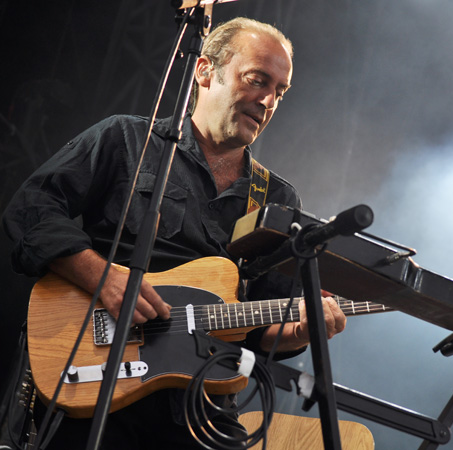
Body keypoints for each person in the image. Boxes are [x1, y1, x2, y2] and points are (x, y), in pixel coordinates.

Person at [2, 17, 347, 449]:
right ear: (205, 71)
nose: (268, 100)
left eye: (280, 91)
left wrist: (302, 329)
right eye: (258, 80)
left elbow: (258, 323)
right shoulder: (127, 138)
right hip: (99, 378)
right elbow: (30, 209)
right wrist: (102, 275)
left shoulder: (276, 197)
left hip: (202, 403)